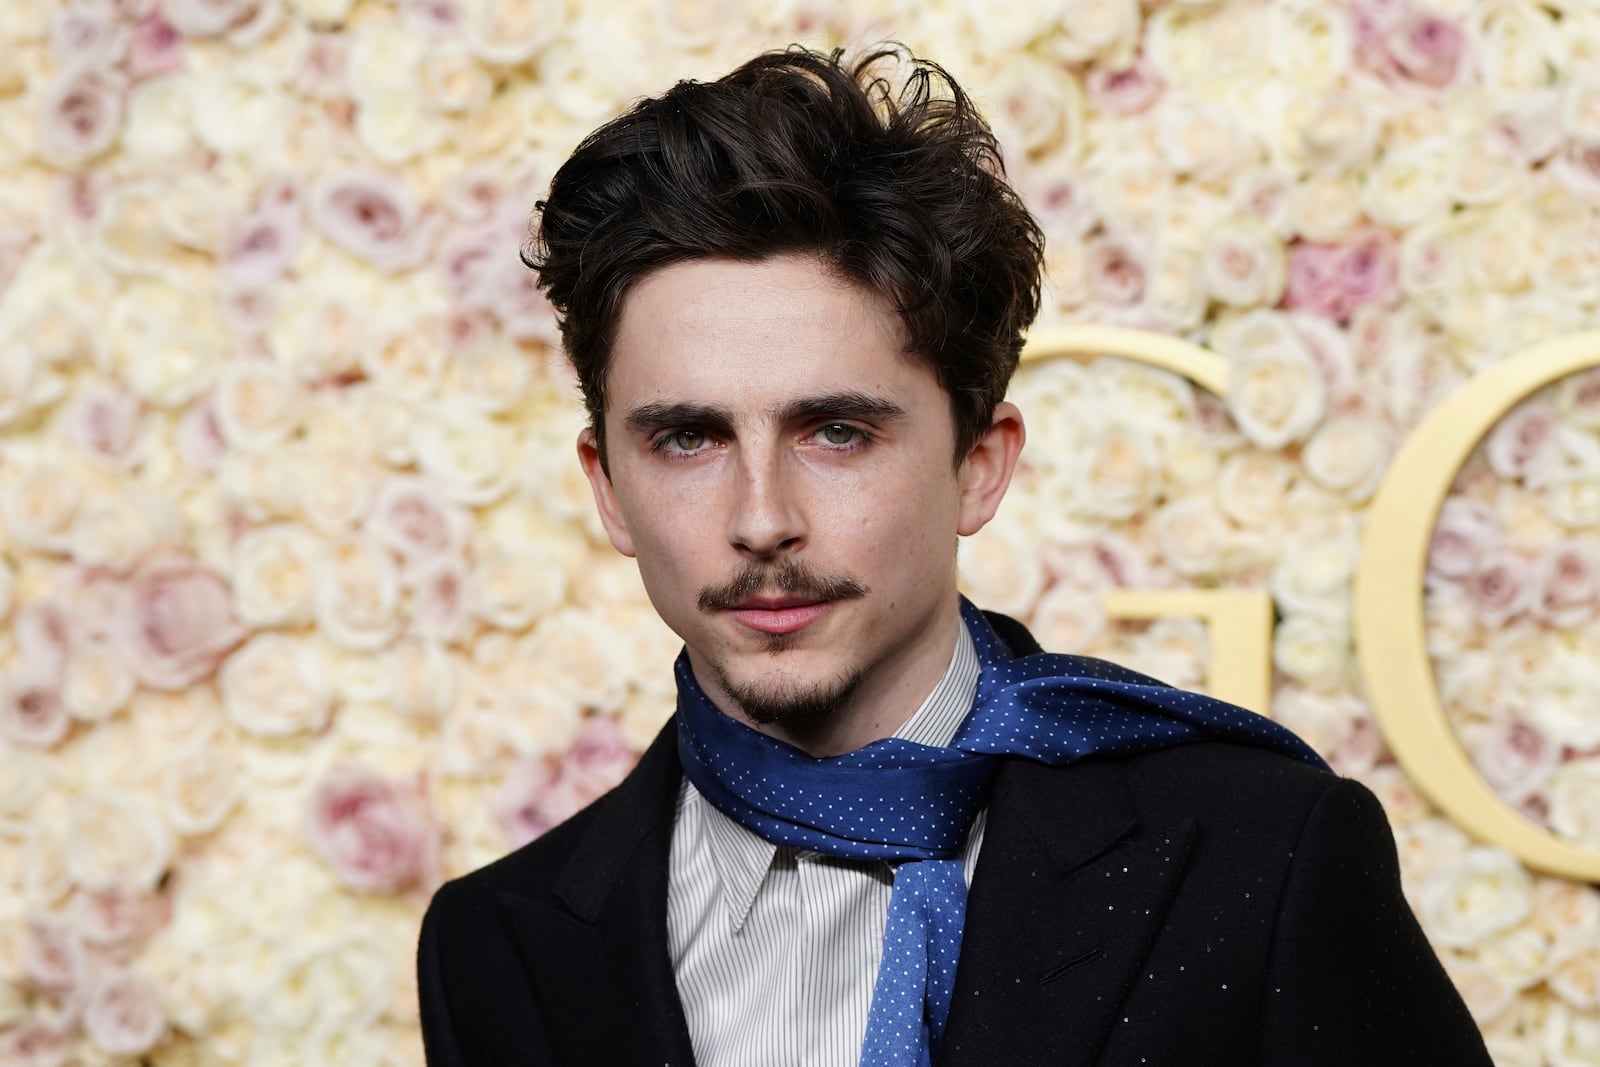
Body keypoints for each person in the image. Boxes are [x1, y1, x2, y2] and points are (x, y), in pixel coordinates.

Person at [417, 45, 1491, 1067]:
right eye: (687, 438)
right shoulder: (497, 945)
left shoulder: (1262, 856)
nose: (761, 518)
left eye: (836, 430)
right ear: (607, 485)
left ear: (979, 463)